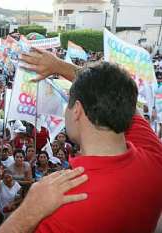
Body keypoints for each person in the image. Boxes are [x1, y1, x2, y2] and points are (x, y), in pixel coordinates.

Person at [20, 48, 162, 232]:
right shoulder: (154, 159)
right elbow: (118, 99)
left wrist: (27, 213)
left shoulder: (61, 205)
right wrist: (60, 66)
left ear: (77, 110)